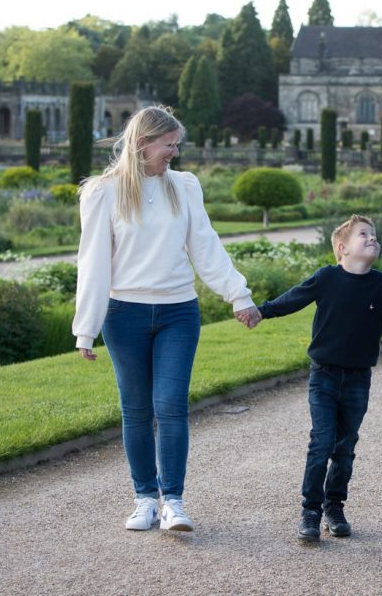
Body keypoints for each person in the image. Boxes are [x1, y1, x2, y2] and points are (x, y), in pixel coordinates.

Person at [73, 105, 261, 533]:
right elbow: (93, 262)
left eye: (177, 144)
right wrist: (86, 325)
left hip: (179, 312)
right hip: (124, 316)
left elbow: (206, 247)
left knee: (171, 406)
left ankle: (173, 501)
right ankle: (145, 500)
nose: (175, 152)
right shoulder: (103, 192)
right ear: (143, 143)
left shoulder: (185, 186)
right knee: (136, 410)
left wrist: (239, 295)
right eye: (169, 144)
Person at [238, 215, 382, 542]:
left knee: (345, 446)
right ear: (342, 248)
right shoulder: (326, 278)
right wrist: (261, 310)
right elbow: (293, 298)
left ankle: (334, 506)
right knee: (321, 441)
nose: (372, 239)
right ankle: (311, 510)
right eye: (363, 235)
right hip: (323, 375)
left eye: (374, 235)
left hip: (358, 379)